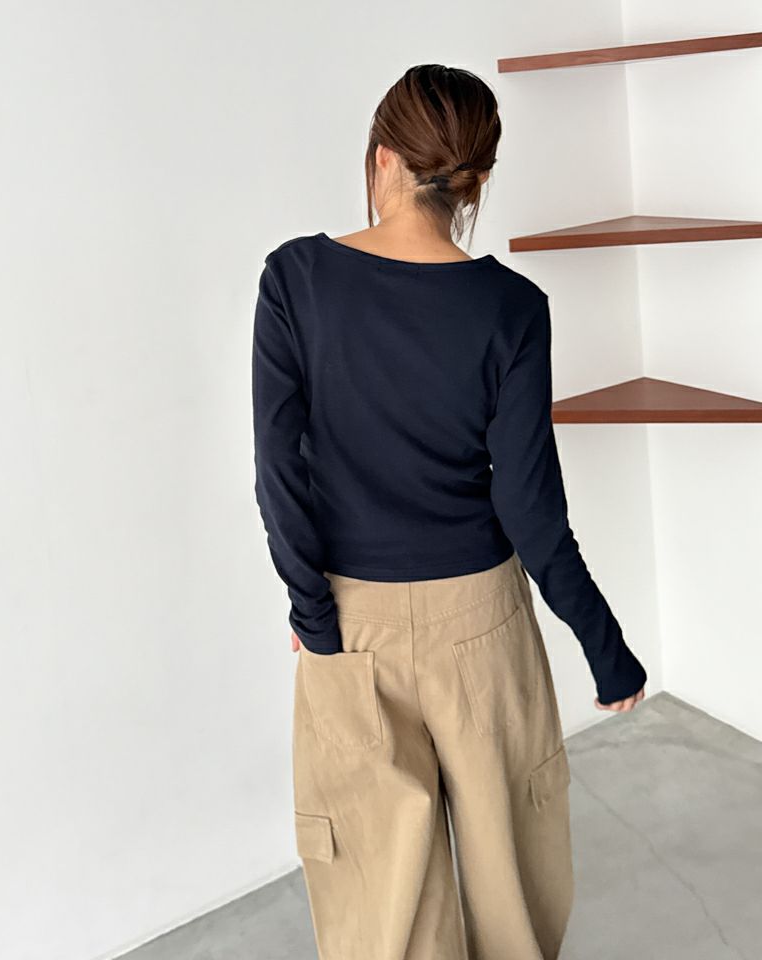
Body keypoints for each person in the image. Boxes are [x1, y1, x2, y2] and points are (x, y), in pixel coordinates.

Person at [251, 63, 647, 960]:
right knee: (512, 881)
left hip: (352, 624)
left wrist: (313, 614)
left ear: (382, 159)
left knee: (383, 905)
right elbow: (530, 506)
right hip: (483, 624)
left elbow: (279, 473)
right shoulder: (512, 307)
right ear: (476, 181)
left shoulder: (295, 280)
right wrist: (605, 646)